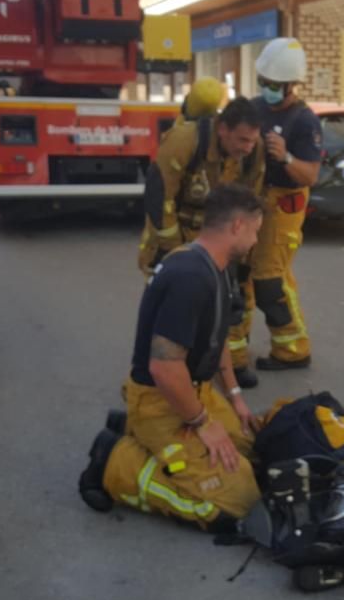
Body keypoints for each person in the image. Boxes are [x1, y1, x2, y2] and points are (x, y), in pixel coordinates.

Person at [79, 184, 265, 532]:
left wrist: (235, 396)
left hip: (193, 392)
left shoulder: (215, 265)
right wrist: (202, 424)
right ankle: (114, 461)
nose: (256, 241)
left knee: (251, 452)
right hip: (163, 399)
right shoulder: (190, 279)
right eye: (255, 231)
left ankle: (133, 429)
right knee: (237, 502)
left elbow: (215, 336)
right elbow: (164, 368)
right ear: (237, 225)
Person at [237, 37, 321, 373]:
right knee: (241, 274)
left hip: (285, 202)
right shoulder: (256, 108)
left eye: (273, 85)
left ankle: (293, 349)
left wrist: (285, 155)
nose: (266, 89)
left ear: (290, 86)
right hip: (253, 198)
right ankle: (234, 351)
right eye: (263, 82)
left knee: (270, 280)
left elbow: (310, 174)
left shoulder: (304, 121)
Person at [136, 95, 265, 277]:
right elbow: (159, 198)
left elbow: (247, 207)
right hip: (175, 233)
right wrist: (176, 253)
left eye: (253, 141)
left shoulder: (254, 150)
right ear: (222, 129)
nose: (248, 148)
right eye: (243, 140)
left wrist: (239, 259)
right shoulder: (183, 142)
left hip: (218, 239)